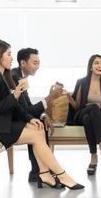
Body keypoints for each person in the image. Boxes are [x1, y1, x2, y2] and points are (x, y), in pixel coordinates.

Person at [0, 39, 84, 190]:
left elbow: (18, 108)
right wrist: (14, 96)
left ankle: (44, 174)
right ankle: (63, 175)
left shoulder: (5, 75)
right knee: (36, 134)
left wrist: (30, 119)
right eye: (9, 54)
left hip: (1, 122)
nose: (12, 58)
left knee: (38, 128)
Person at [11, 48, 61, 182]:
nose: (37, 67)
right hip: (10, 121)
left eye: (38, 63)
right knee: (36, 124)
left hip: (19, 116)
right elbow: (25, 112)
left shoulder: (20, 76)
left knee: (39, 121)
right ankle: (38, 170)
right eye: (34, 63)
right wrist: (50, 97)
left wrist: (44, 115)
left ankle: (37, 170)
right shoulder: (15, 78)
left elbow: (27, 107)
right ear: (23, 63)